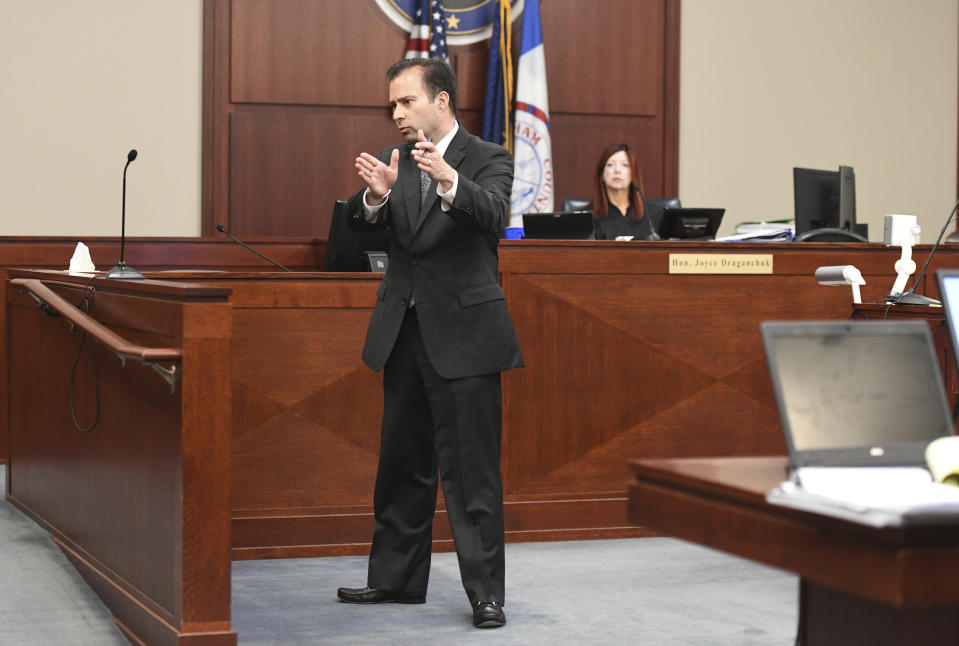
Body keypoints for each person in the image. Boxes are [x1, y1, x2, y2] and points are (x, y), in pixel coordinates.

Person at [336, 57, 523, 629]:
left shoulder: (487, 157)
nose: (396, 114)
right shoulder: (402, 162)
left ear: (441, 101)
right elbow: (372, 232)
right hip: (405, 333)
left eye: (406, 102)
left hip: (465, 337)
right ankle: (393, 581)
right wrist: (377, 199)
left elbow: (493, 214)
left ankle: (486, 593)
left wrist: (449, 180)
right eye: (392, 104)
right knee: (403, 465)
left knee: (472, 475)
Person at [590, 143, 654, 240]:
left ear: (633, 174)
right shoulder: (587, 218)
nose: (617, 170)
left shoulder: (653, 215)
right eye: (610, 165)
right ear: (602, 174)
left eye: (625, 165)